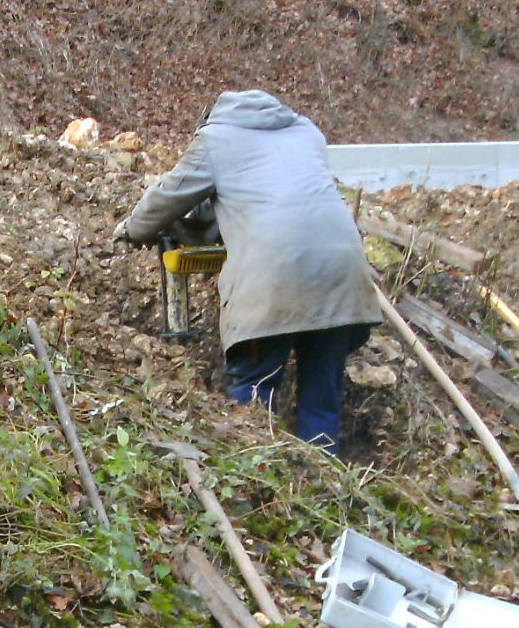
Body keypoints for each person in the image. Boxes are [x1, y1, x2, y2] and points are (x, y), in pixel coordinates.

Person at [113, 90, 379, 451]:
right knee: (321, 403)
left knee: (252, 409)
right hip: (343, 275)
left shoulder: (215, 139)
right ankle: (323, 493)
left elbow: (170, 197)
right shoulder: (307, 133)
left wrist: (131, 230)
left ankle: (257, 488)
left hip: (273, 282)